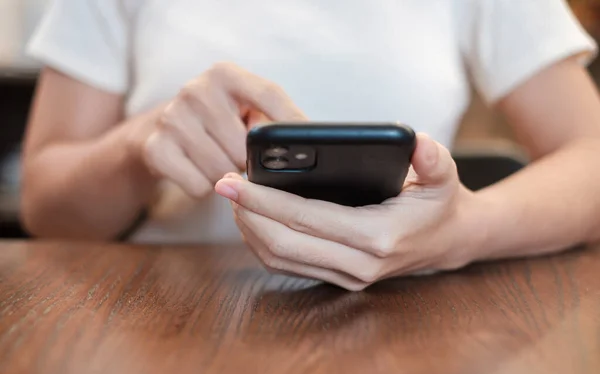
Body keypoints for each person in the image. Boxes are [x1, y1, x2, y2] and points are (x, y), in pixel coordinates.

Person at [20, 0, 600, 290]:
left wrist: (463, 230)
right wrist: (135, 144)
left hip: (405, 315)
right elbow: (44, 207)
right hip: (162, 317)